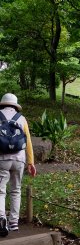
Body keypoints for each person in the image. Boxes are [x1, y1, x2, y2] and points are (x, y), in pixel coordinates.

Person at [0, 93, 36, 237]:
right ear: (15, 105)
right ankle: (14, 221)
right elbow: (28, 143)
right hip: (19, 160)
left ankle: (1, 217)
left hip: (2, 159)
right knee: (16, 190)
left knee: (1, 190)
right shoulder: (22, 119)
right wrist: (31, 162)